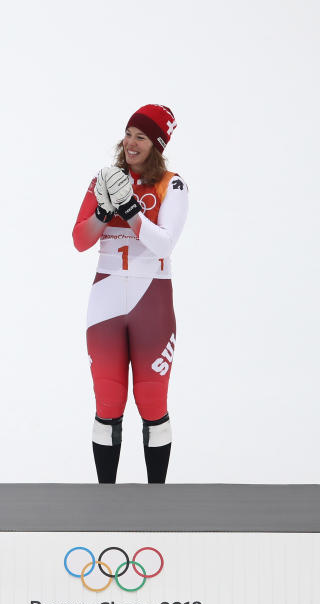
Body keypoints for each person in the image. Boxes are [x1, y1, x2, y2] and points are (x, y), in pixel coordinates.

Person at [71, 104, 188, 484]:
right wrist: (105, 213)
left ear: (157, 145)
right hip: (105, 303)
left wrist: (131, 212)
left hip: (151, 304)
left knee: (152, 403)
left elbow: (163, 245)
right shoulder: (103, 179)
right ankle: (107, 501)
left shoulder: (172, 185)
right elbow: (79, 240)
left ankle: (157, 503)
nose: (131, 143)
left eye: (142, 136)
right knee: (107, 401)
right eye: (128, 133)